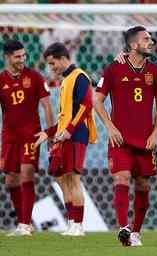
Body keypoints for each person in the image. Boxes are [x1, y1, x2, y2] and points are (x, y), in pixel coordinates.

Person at [94, 26, 157, 246]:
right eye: (146, 39)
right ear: (133, 45)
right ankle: (123, 227)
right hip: (120, 140)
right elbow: (96, 101)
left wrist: (156, 133)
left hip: (146, 140)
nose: (151, 42)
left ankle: (135, 232)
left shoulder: (155, 72)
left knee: (143, 186)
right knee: (121, 177)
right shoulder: (114, 69)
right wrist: (110, 127)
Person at [34, 42, 97, 236]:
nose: (51, 68)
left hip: (77, 134)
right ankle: (71, 222)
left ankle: (78, 225)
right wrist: (50, 132)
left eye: (53, 63)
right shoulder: (66, 79)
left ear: (63, 58)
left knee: (74, 178)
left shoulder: (79, 76)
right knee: (63, 179)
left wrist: (69, 130)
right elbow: (65, 115)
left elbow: (86, 105)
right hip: (65, 135)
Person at [0, 39, 54, 236]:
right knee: (11, 181)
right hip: (9, 136)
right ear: (7, 57)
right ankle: (24, 222)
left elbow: (47, 105)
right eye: (18, 56)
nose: (22, 59)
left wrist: (50, 133)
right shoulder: (1, 80)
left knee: (26, 173)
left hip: (31, 134)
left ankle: (24, 225)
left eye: (24, 55)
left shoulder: (35, 77)